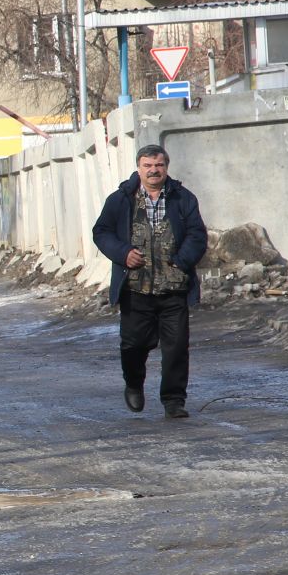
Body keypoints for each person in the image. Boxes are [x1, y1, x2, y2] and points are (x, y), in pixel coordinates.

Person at [91, 144, 207, 419]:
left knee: (176, 346)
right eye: (148, 165)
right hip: (135, 288)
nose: (154, 170)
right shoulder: (121, 199)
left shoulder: (183, 198)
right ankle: (133, 384)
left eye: (159, 165)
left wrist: (181, 261)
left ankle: (173, 400)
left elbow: (197, 235)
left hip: (174, 288)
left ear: (166, 167)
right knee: (133, 345)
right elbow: (102, 231)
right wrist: (123, 254)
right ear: (138, 168)